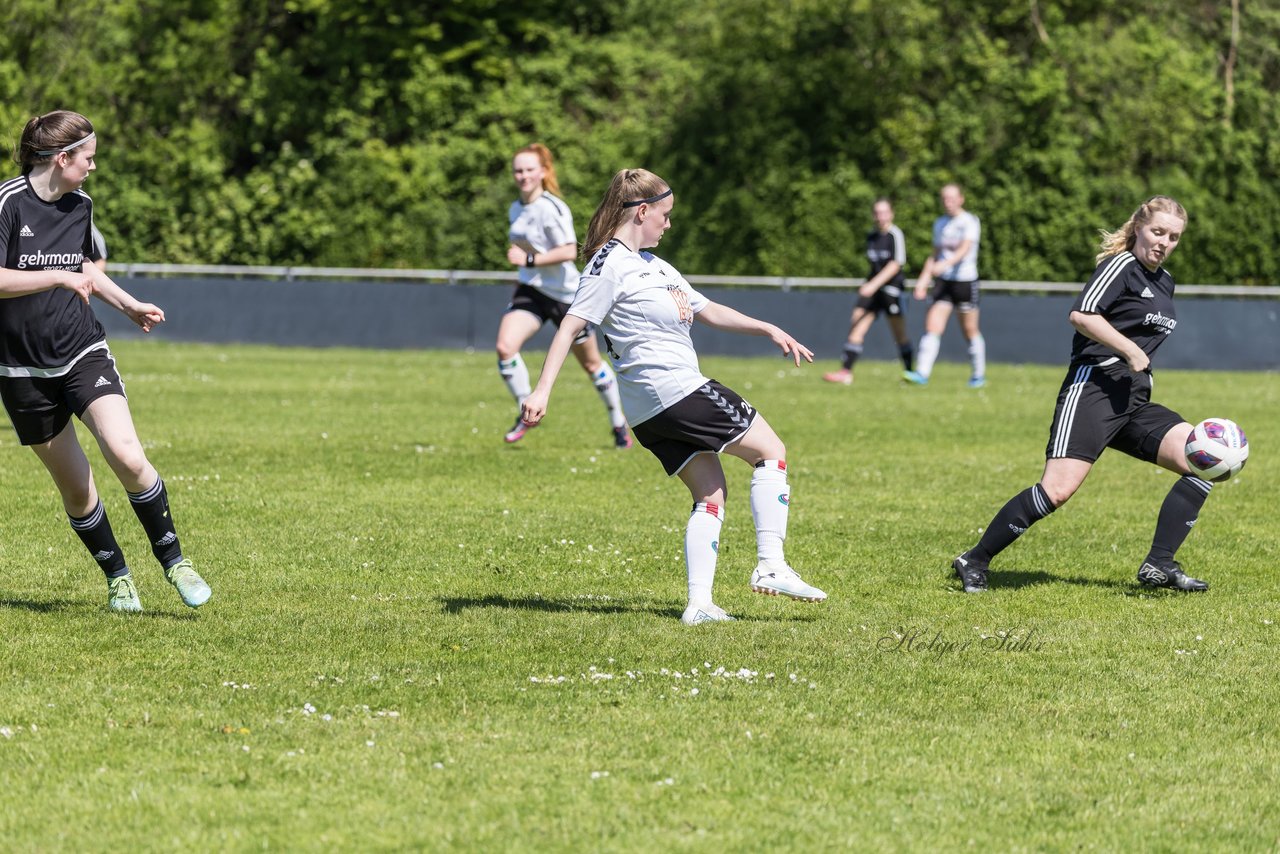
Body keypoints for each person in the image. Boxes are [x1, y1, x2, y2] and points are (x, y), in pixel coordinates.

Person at [521, 169, 828, 625]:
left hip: (649, 412)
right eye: (664, 215)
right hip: (675, 390)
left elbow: (708, 310)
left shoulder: (655, 265)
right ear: (641, 212)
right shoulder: (609, 265)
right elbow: (571, 324)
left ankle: (699, 605)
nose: (668, 225)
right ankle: (771, 565)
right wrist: (542, 388)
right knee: (771, 451)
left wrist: (767, 327)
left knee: (711, 494)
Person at [0, 110, 211, 612]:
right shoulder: (7, 203)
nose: (93, 168)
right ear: (62, 157)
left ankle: (175, 560)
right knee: (77, 489)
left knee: (127, 453)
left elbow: (83, 269)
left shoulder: (80, 206)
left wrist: (129, 304)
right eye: (88, 158)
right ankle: (118, 577)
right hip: (21, 371)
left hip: (81, 351)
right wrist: (56, 279)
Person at [952, 196, 1214, 593]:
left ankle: (1159, 564)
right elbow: (1082, 315)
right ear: (1139, 227)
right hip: (1093, 389)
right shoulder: (1121, 266)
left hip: (1133, 400)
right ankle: (974, 559)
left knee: (1203, 461)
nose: (1164, 242)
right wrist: (1129, 349)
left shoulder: (1164, 281)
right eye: (1158, 232)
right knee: (1055, 491)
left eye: (1174, 237)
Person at [496, 143, 630, 448]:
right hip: (532, 289)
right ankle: (525, 411)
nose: (523, 175)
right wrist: (527, 268)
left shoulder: (553, 208)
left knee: (592, 364)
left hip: (566, 295)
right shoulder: (515, 207)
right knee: (505, 347)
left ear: (543, 172)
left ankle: (618, 423)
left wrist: (529, 260)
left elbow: (570, 251)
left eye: (530, 169)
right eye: (518, 170)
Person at [823, 197, 915, 385]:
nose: (880, 217)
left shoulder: (895, 235)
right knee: (856, 324)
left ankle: (911, 374)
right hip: (873, 291)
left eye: (884, 212)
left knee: (900, 335)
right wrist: (870, 285)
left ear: (891, 214)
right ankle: (846, 372)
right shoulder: (871, 236)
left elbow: (895, 265)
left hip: (891, 291)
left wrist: (873, 284)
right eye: (877, 213)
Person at [905, 183, 985, 387]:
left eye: (951, 198)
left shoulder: (969, 221)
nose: (947, 202)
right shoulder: (940, 223)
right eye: (944, 199)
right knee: (932, 327)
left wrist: (946, 264)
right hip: (944, 282)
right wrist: (923, 280)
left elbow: (965, 249)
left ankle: (978, 375)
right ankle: (922, 373)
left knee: (969, 330)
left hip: (965, 282)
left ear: (961, 199)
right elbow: (934, 254)